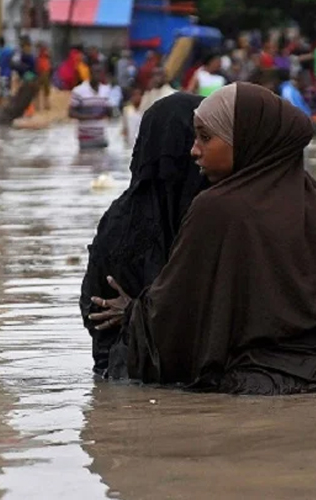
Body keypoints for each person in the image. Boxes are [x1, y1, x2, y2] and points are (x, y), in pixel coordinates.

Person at [88, 83, 316, 395]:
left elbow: (178, 308)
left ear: (244, 140)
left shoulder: (217, 208)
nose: (193, 150)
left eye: (205, 137)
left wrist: (133, 314)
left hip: (253, 387)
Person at [81, 94, 207, 374]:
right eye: (198, 137)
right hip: (166, 378)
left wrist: (135, 313)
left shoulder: (118, 218)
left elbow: (92, 307)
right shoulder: (206, 214)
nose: (199, 150)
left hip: (119, 377)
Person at [69, 62, 114, 149]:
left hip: (101, 137)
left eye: (100, 72)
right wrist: (90, 116)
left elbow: (111, 114)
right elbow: (71, 113)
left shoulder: (106, 90)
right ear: (90, 73)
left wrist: (111, 110)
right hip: (85, 139)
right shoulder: (78, 91)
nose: (97, 75)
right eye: (95, 72)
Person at [0, 36, 16, 101]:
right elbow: (13, 54)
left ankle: (5, 106)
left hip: (2, 73)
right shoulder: (8, 50)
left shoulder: (0, 52)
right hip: (8, 73)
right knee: (7, 91)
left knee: (2, 92)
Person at [36, 42, 52, 109]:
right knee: (45, 90)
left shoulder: (41, 55)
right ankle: (45, 105)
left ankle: (40, 105)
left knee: (41, 90)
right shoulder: (44, 55)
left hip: (42, 72)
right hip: (43, 72)